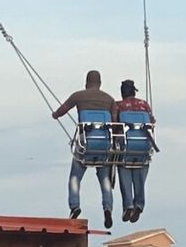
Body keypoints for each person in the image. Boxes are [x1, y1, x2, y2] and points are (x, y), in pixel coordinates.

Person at [52, 69, 117, 229]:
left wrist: (55, 115)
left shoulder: (78, 96)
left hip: (85, 144)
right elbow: (115, 123)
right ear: (100, 84)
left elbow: (61, 111)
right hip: (103, 145)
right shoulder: (110, 100)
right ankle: (107, 208)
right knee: (105, 180)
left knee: (75, 177)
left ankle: (75, 206)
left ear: (86, 83)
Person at [115, 79, 156, 223]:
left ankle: (128, 206)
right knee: (140, 173)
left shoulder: (118, 106)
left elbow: (114, 125)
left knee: (124, 172)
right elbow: (152, 122)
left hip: (125, 147)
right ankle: (139, 204)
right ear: (133, 91)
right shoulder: (144, 105)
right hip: (143, 146)